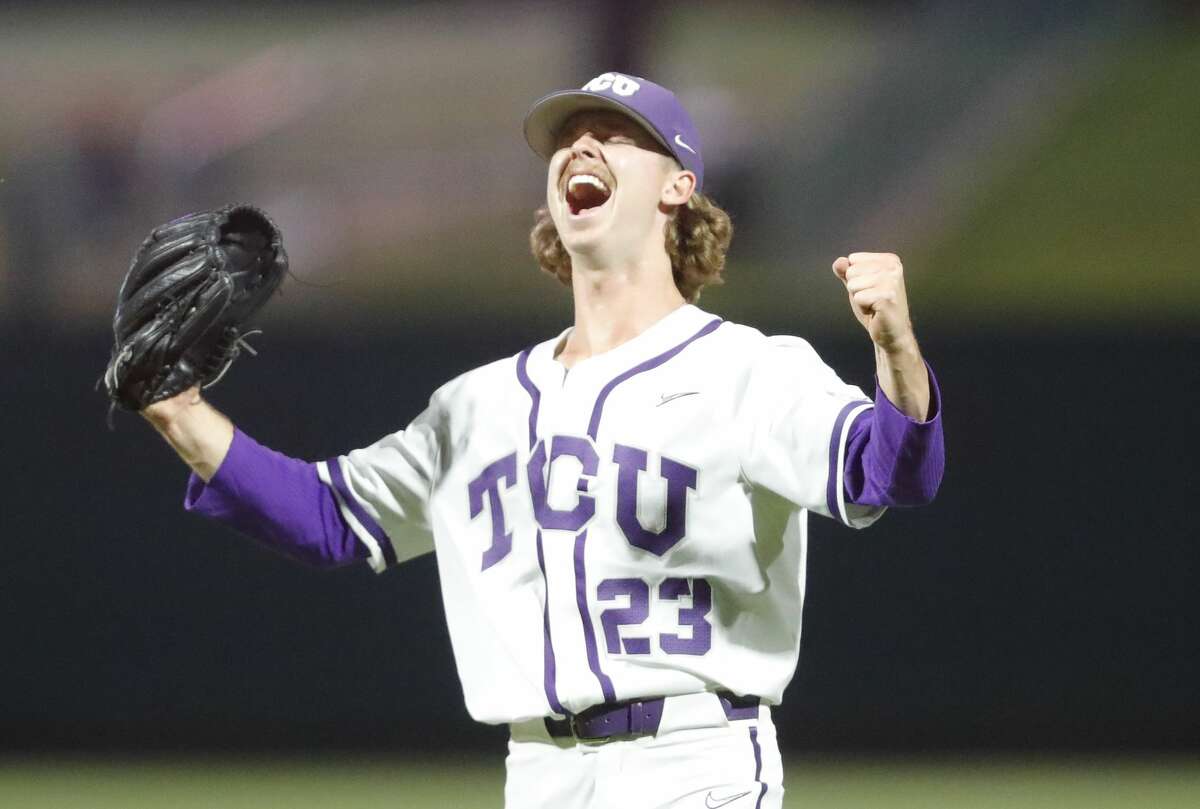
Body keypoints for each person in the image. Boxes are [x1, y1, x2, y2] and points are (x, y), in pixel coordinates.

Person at [141, 72, 944, 809]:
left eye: (616, 133)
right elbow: (326, 516)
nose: (580, 147)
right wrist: (177, 409)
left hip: (699, 761)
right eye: (567, 137)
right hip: (538, 774)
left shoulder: (747, 371)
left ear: (679, 186)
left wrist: (898, 352)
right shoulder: (474, 406)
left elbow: (890, 473)